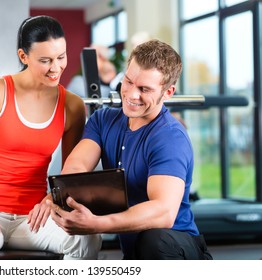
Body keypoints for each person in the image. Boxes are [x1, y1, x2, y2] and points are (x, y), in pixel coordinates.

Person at [0, 15, 101, 260]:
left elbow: (72, 170)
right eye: (45, 60)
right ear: (24, 57)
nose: (56, 68)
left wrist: (51, 198)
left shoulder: (72, 106)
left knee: (86, 240)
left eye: (61, 57)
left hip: (34, 217)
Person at [47, 39, 213, 260]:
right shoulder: (103, 120)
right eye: (128, 82)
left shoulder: (169, 137)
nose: (132, 95)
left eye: (144, 89)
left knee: (154, 240)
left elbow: (163, 212)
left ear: (168, 92)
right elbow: (77, 166)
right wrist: (60, 197)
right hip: (137, 252)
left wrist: (98, 224)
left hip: (175, 249)